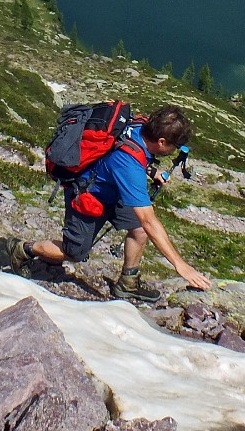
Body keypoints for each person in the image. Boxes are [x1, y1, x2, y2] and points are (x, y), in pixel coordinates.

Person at [11, 105, 212, 301]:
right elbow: (149, 220)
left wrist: (151, 171)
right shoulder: (129, 166)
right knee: (74, 253)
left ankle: (127, 284)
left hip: (112, 188)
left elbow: (127, 155)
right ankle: (24, 249)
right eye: (174, 147)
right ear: (161, 141)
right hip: (87, 196)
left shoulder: (139, 125)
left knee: (138, 229)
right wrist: (180, 265)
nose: (174, 151)